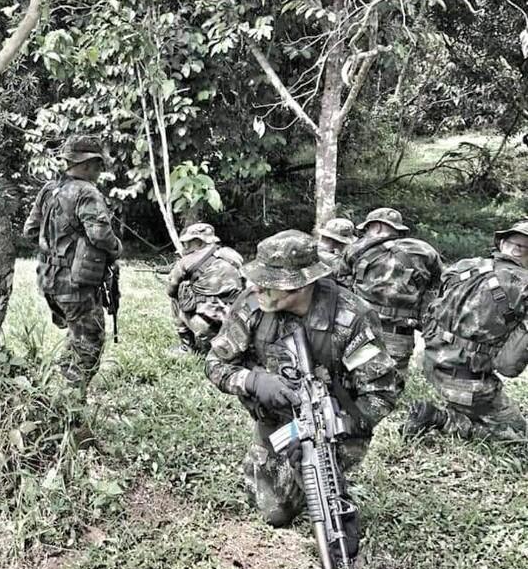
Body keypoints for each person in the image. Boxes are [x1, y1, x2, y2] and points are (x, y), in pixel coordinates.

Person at [205, 231, 399, 535]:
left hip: (335, 425)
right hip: (277, 422)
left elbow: (381, 393)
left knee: (321, 484)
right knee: (273, 512)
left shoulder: (352, 316)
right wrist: (254, 381)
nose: (257, 287)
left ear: (303, 284)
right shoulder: (253, 303)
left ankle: (332, 494)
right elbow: (215, 363)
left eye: (270, 283)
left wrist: (332, 432)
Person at [404, 221, 528, 441]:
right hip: (467, 382)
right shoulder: (524, 285)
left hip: (430, 362)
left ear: (502, 244)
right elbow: (508, 366)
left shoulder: (464, 265)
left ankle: (461, 407)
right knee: (519, 436)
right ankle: (441, 418)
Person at [23, 135, 122, 388]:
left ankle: (60, 383)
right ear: (87, 164)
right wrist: (116, 248)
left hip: (49, 279)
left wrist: (58, 245)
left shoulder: (49, 190)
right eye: (98, 165)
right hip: (75, 284)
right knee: (90, 341)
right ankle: (70, 399)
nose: (100, 171)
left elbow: (30, 230)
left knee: (77, 333)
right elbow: (100, 235)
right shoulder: (86, 192)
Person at [337, 207, 441, 378]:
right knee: (393, 383)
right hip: (400, 335)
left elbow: (341, 286)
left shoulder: (356, 249)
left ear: (377, 226)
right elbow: (437, 288)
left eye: (367, 229)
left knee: (356, 380)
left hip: (362, 331)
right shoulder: (424, 251)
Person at [166, 223, 245, 354]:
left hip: (208, 325)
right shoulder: (231, 255)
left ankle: (187, 347)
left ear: (198, 242)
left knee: (176, 298)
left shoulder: (187, 261)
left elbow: (170, 290)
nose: (185, 246)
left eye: (187, 243)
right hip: (237, 322)